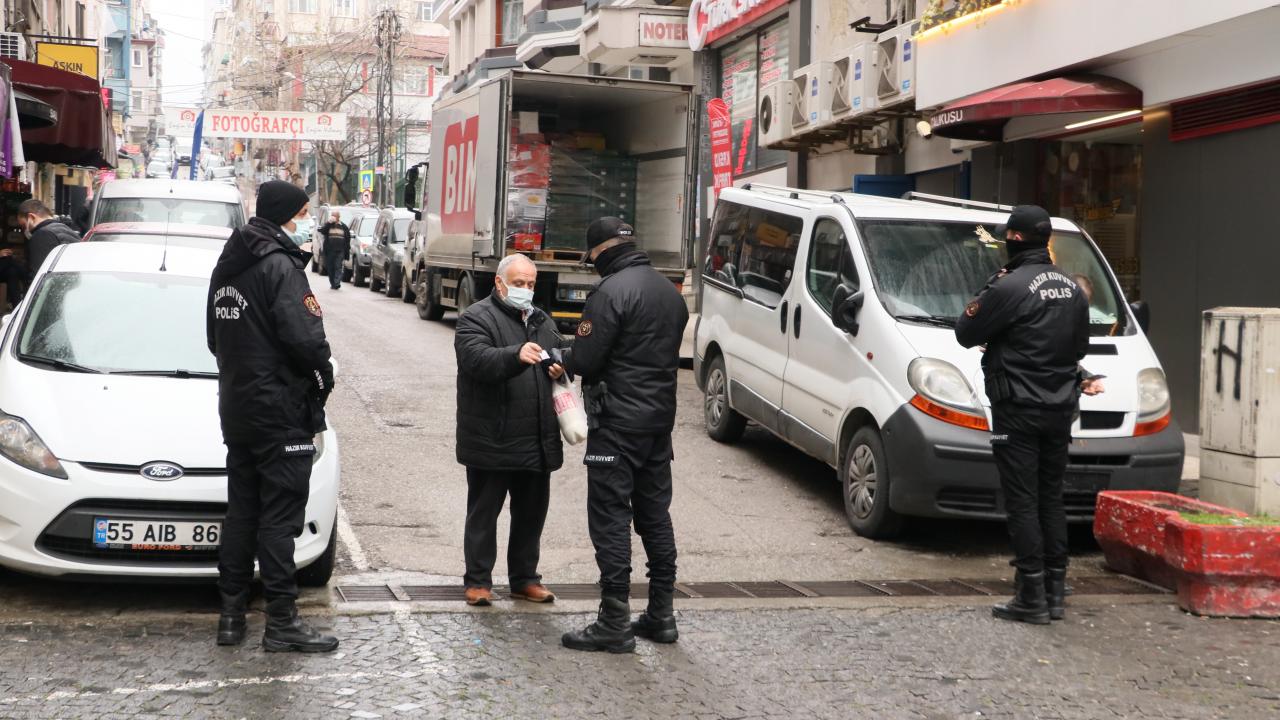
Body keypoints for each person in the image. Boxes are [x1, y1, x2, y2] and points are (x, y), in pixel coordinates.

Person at [206, 180, 338, 653]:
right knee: (280, 520)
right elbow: (307, 341)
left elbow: (213, 340)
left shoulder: (228, 264)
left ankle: (231, 617)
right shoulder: (280, 265)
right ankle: (281, 621)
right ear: (286, 214)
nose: (306, 221)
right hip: (281, 412)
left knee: (242, 513)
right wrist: (322, 381)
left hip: (238, 408)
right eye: (302, 213)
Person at [954, 205, 1093, 625]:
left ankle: (1030, 595)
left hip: (1017, 408)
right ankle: (1055, 591)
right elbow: (1079, 349)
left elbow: (965, 332)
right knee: (1051, 496)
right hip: (1060, 408)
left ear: (1014, 239)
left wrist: (994, 298)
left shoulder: (1009, 285)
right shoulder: (1071, 288)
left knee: (1022, 500)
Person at [561, 217, 688, 654]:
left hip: (616, 425)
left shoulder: (609, 292)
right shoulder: (669, 292)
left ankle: (613, 620)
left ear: (600, 252)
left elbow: (587, 359)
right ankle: (662, 614)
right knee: (655, 516)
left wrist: (563, 356)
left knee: (611, 517)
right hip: (658, 425)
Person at [453, 254, 564, 607]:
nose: (525, 290)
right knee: (484, 514)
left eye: (530, 284)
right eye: (519, 283)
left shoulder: (542, 320)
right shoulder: (475, 317)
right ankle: (478, 581)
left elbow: (560, 351)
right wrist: (515, 355)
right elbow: (476, 360)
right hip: (493, 437)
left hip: (536, 437)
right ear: (499, 283)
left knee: (531, 515)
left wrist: (562, 365)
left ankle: (525, 579)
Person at [17, 199, 79, 282]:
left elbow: (39, 277)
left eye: (23, 226)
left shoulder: (42, 235)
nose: (24, 230)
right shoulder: (66, 229)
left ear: (31, 217)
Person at [318, 212, 350, 290]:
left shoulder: (343, 226)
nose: (333, 217)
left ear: (339, 217)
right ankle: (333, 283)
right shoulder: (328, 225)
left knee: (338, 266)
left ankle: (337, 283)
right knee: (330, 267)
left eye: (335, 216)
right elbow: (323, 231)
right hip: (330, 250)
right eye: (332, 215)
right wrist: (329, 223)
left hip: (340, 250)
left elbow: (347, 238)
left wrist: (346, 249)